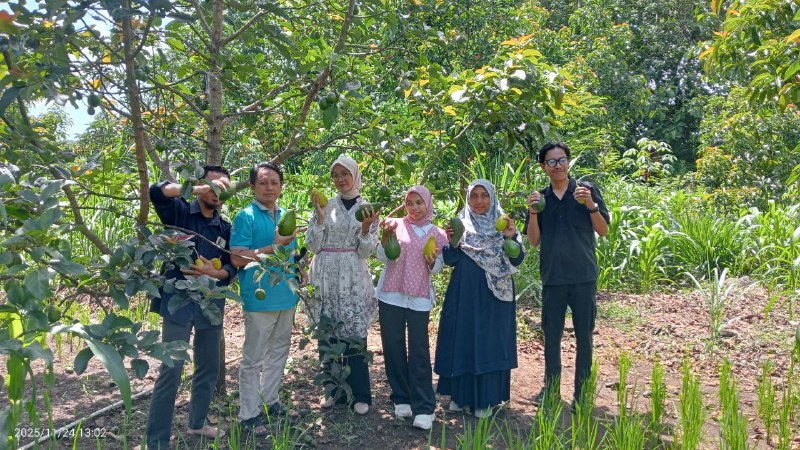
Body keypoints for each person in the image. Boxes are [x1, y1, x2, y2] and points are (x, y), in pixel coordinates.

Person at [146, 165, 235, 448]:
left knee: (208, 366)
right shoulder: (180, 213)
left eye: (223, 188)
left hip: (210, 304)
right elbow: (156, 191)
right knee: (171, 370)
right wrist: (197, 188)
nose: (217, 193)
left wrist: (217, 273)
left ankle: (197, 423)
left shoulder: (225, 228)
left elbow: (232, 265)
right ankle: (157, 440)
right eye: (212, 186)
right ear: (199, 187)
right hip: (178, 302)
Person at [525, 142, 610, 409]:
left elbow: (604, 230)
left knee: (584, 335)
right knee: (551, 334)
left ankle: (581, 394)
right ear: (543, 167)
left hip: (583, 275)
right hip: (553, 277)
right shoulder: (541, 198)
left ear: (569, 162)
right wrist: (532, 213)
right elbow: (534, 241)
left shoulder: (586, 192)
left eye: (562, 160)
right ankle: (550, 391)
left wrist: (591, 205)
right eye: (551, 162)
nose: (558, 166)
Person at [434, 179, 525, 418]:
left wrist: (509, 237)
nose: (479, 201)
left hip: (495, 298)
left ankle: (486, 399)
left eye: (484, 195)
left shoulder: (504, 224)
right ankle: (460, 397)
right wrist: (452, 241)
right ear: (468, 199)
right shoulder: (460, 223)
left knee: (489, 342)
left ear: (492, 197)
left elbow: (517, 259)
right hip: (464, 293)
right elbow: (450, 260)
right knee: (463, 339)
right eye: (474, 196)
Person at [230, 162, 300, 436]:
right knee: (254, 357)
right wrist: (274, 246)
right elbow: (236, 257)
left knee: (279, 352)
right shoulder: (245, 216)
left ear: (281, 186)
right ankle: (248, 414)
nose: (269, 187)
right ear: (252, 187)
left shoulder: (285, 214)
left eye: (274, 182)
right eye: (263, 182)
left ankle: (270, 401)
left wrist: (298, 270)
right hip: (259, 298)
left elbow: (290, 254)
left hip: (286, 295)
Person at [306, 155, 380, 415]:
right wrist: (319, 216)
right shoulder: (326, 206)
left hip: (352, 275)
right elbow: (313, 245)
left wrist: (366, 228)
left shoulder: (368, 207)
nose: (340, 180)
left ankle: (360, 394)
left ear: (355, 175)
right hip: (324, 274)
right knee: (327, 330)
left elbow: (366, 252)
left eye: (344, 174)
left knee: (354, 333)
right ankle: (332, 391)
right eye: (335, 175)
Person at [376, 185, 448, 430]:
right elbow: (382, 257)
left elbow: (437, 268)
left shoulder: (437, 234)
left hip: (419, 297)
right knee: (393, 346)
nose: (414, 208)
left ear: (428, 204)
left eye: (419, 202)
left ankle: (425, 406)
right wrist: (385, 238)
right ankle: (401, 398)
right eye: (410, 203)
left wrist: (432, 262)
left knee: (418, 349)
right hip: (390, 294)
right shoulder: (393, 225)